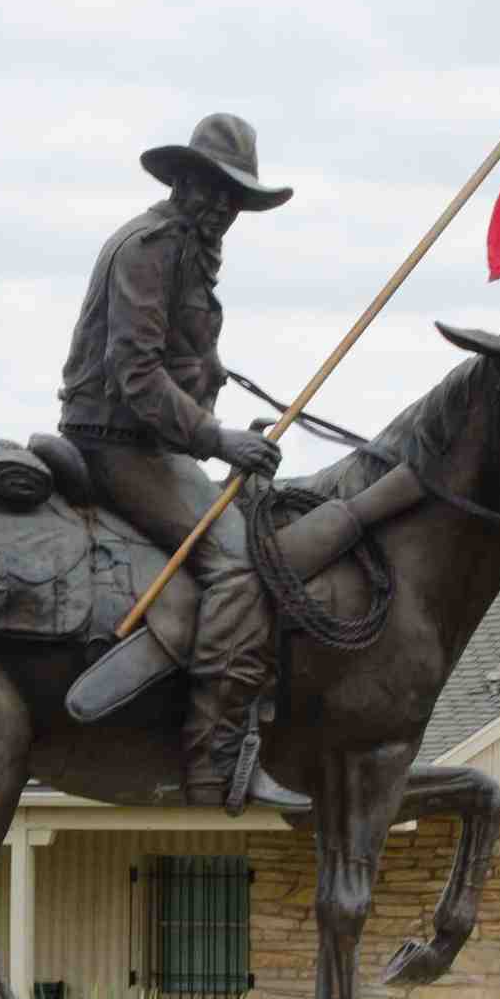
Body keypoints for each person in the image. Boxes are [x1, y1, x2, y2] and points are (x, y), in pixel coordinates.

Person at [57, 113, 310, 811]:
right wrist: (217, 439)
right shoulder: (151, 247)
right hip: (116, 442)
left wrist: (218, 385)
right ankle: (214, 760)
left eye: (238, 199)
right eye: (216, 191)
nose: (226, 209)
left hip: (155, 441)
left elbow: (174, 355)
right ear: (186, 181)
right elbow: (135, 377)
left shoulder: (189, 251)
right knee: (238, 564)